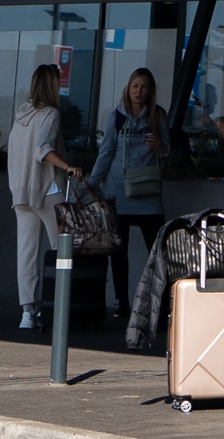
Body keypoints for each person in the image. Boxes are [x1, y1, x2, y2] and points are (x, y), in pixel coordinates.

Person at [96, 65, 171, 292]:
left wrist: (161, 146)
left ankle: (162, 300)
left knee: (157, 250)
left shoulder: (157, 115)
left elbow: (168, 153)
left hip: (148, 192)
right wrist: (91, 183)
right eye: (135, 86)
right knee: (119, 251)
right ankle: (122, 302)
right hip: (118, 191)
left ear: (151, 91)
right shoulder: (116, 117)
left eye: (144, 87)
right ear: (128, 88)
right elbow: (106, 152)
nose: (138, 91)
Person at [8, 65, 68, 332]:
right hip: (46, 190)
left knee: (27, 254)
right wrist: (68, 167)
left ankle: (27, 312)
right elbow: (44, 150)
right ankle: (60, 306)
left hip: (21, 193)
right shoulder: (51, 114)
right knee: (61, 252)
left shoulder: (21, 115)